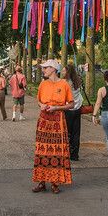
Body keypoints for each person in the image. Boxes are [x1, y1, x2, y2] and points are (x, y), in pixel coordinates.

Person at [32, 59, 74, 194]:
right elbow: (38, 100)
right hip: (44, 119)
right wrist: (41, 105)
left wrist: (57, 107)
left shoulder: (64, 84)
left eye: (46, 68)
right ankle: (41, 182)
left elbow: (72, 104)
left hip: (58, 120)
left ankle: (55, 182)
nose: (43, 70)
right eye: (43, 68)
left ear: (54, 69)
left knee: (57, 150)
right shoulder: (43, 84)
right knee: (42, 150)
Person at [62, 64, 83, 161]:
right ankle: (75, 154)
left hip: (68, 108)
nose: (62, 72)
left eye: (64, 71)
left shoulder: (65, 83)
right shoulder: (77, 81)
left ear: (68, 72)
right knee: (76, 132)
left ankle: (67, 152)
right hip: (77, 108)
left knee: (67, 132)